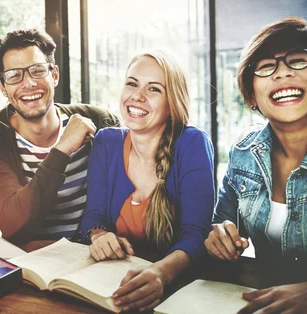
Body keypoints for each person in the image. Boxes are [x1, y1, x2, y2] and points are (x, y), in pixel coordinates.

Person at [205, 17, 307, 313]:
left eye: (297, 61)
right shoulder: (243, 151)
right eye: (266, 66)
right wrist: (219, 236)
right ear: (253, 94)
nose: (282, 73)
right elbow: (221, 223)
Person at [80, 49, 215, 312]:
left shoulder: (193, 143)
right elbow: (93, 215)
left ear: (172, 103)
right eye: (132, 83)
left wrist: (160, 274)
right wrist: (99, 235)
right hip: (112, 285)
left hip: (178, 291)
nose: (137, 96)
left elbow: (196, 235)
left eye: (154, 89)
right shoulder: (106, 142)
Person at [0, 29, 120, 242]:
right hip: (34, 265)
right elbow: (12, 223)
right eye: (14, 75)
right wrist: (62, 149)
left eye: (38, 71)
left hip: (95, 254)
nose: (29, 83)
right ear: (2, 87)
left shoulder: (98, 120)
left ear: (55, 75)